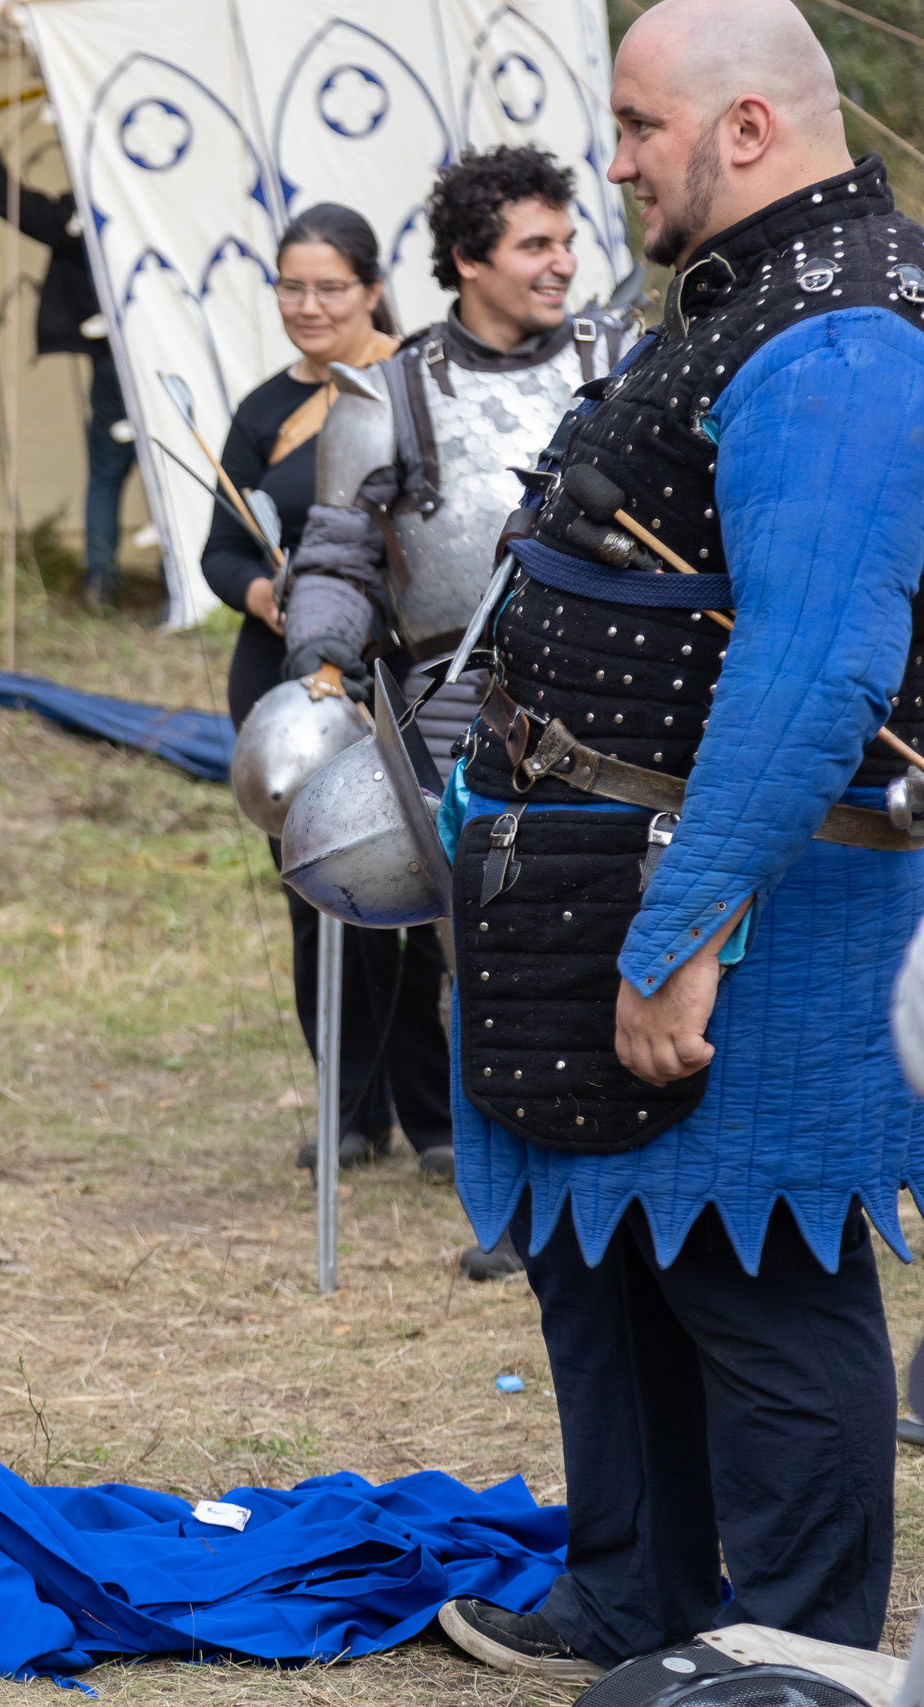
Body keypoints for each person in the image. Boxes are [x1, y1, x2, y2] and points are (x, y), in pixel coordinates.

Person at [431, 0, 924, 1676]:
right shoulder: (744, 296)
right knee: (609, 1247)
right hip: (587, 864)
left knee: (761, 1275)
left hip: (739, 904)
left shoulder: (848, 340)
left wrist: (678, 935)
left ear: (747, 130)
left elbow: (811, 675)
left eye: (639, 128)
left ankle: (795, 1652)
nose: (614, 160)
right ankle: (635, 1591)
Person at [288, 146, 629, 1254]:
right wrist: (324, 673)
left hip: (623, 688)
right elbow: (336, 557)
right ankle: (513, 1190)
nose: (561, 264)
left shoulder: (623, 358)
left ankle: (625, 1162)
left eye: (567, 242)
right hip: (458, 704)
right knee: (476, 954)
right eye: (535, 245)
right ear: (466, 259)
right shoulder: (379, 398)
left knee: (631, 929)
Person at [197, 207, 446, 1179]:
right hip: (290, 686)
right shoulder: (263, 410)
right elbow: (220, 548)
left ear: (372, 289)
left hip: (403, 675)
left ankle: (434, 1116)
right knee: (318, 897)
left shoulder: (412, 385)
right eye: (290, 288)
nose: (307, 306)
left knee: (421, 889)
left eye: (327, 288)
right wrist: (264, 592)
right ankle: (349, 1109)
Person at [0, 99, 133, 608]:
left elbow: (17, 206)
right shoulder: (144, 209)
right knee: (164, 467)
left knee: (106, 470)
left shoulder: (86, 212)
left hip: (115, 361)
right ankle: (162, 579)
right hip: (145, 360)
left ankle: (102, 580)